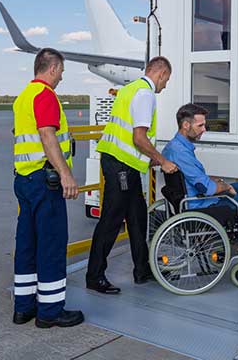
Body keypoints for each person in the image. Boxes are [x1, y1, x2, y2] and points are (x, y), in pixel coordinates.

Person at [86, 56, 178, 293]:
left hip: (125, 165)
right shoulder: (145, 94)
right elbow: (139, 137)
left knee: (137, 216)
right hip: (120, 166)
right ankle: (94, 276)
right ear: (160, 74)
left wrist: (146, 162)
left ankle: (142, 269)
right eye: (166, 79)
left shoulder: (129, 89)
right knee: (111, 219)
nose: (165, 85)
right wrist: (162, 161)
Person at [12, 48, 84, 328]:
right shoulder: (45, 95)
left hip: (24, 179)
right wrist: (65, 174)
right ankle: (50, 312)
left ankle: (24, 308)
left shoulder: (22, 98)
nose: (62, 78)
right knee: (51, 244)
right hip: (45, 181)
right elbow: (46, 135)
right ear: (52, 69)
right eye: (62, 72)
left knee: (27, 244)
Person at [162, 103, 238, 262]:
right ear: (186, 125)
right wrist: (225, 186)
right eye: (200, 125)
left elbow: (193, 178)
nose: (204, 129)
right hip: (202, 207)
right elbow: (206, 188)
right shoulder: (181, 153)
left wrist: (215, 181)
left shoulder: (174, 146)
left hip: (194, 198)